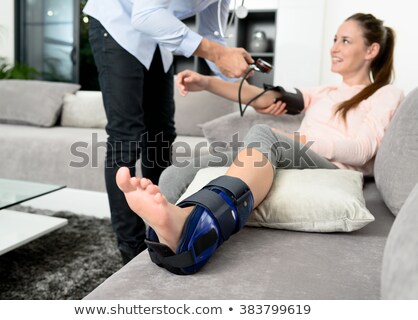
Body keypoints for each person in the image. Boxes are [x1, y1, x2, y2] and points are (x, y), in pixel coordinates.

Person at [116, 12, 404, 275]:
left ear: (371, 50)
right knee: (176, 173)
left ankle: (202, 223)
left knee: (265, 133)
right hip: (296, 154)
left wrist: (297, 140)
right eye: (334, 39)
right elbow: (266, 98)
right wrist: (206, 82)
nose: (334, 48)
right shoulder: (325, 91)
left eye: (345, 40)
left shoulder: (385, 94)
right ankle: (164, 242)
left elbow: (362, 149)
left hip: (331, 167)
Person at [83, 0, 254, 264]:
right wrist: (219, 54)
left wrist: (238, 71)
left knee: (162, 134)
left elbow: (212, 35)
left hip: (158, 35)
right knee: (126, 136)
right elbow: (145, 14)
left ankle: (161, 231)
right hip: (117, 24)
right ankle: (131, 251)